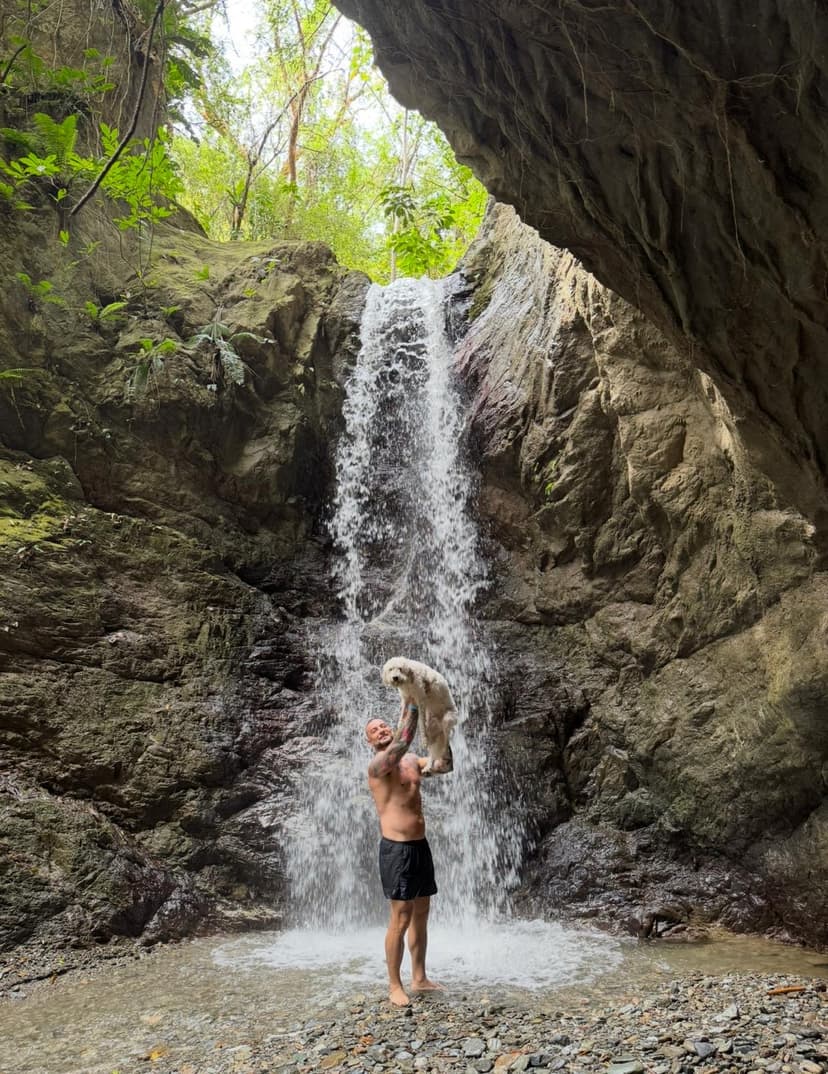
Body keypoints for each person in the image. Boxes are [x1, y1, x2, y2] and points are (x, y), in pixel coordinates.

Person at [366, 700, 448, 1006]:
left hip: (419, 846)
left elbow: (443, 765)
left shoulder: (411, 760)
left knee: (421, 915)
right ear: (370, 741)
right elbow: (404, 739)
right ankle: (394, 986)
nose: (381, 730)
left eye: (383, 725)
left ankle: (419, 977)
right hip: (396, 851)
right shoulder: (378, 767)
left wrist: (442, 734)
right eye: (374, 730)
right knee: (400, 918)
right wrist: (414, 697)